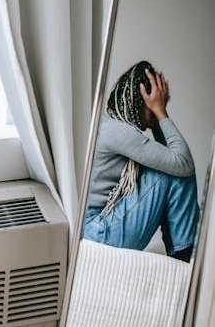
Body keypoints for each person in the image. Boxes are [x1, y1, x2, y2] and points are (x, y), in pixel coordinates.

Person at [83, 60, 199, 262]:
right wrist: (161, 113)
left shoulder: (111, 123)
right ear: (142, 99)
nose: (159, 107)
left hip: (97, 228)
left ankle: (184, 253)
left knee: (174, 168)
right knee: (175, 172)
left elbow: (173, 158)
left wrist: (157, 118)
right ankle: (186, 255)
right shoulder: (119, 132)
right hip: (98, 233)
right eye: (155, 102)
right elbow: (182, 163)